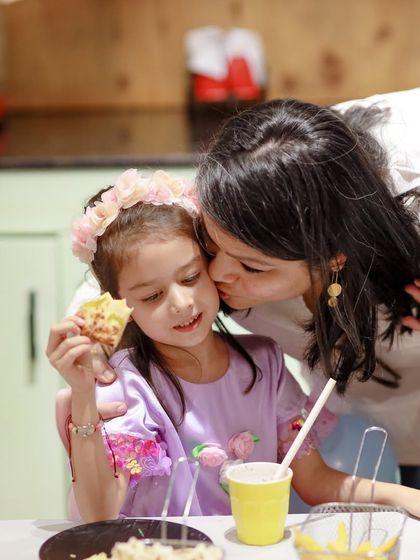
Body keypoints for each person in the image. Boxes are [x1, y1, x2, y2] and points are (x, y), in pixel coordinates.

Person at [65, 89, 420, 489]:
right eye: (211, 246)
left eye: (252, 266)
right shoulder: (241, 190)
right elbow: (124, 280)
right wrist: (91, 342)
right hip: (354, 437)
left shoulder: (403, 186)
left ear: (331, 258)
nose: (216, 273)